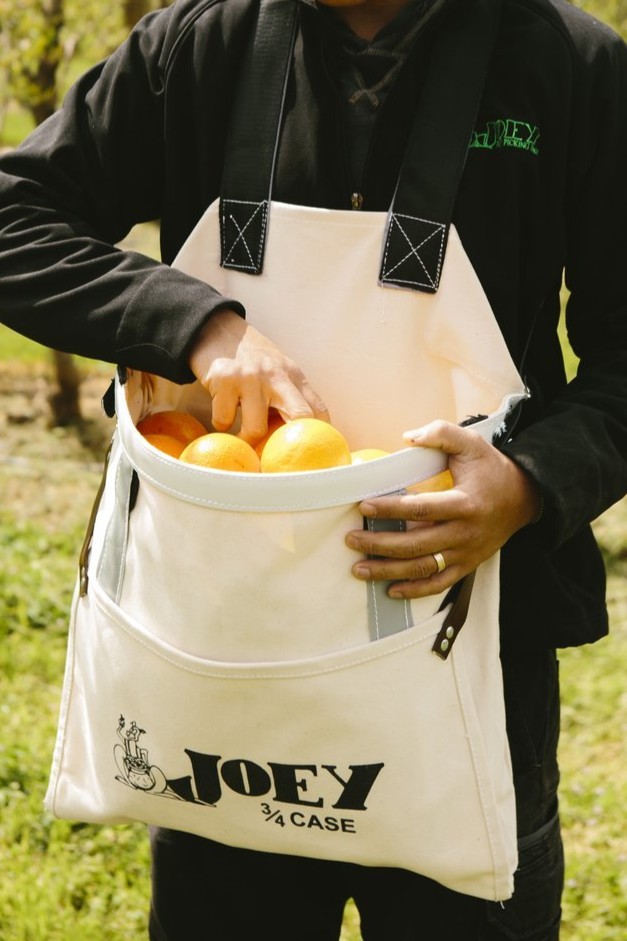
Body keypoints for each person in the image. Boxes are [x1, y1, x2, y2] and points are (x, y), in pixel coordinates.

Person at [1, 0, 627, 938]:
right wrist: (195, 325)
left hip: (471, 644)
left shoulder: (569, 66)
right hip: (224, 662)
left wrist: (529, 479)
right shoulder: (198, 45)